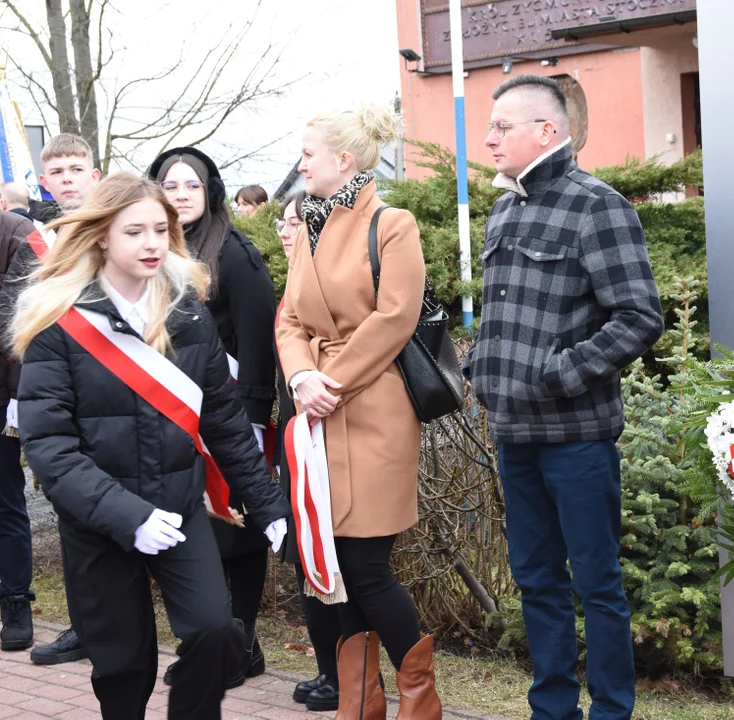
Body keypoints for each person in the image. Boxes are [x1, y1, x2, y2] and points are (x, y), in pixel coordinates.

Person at [10, 173, 290, 719]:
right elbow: (50, 447)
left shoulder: (188, 312)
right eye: (134, 231)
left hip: (178, 505)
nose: (152, 243)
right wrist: (128, 515)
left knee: (217, 633)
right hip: (98, 521)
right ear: (100, 238)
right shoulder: (59, 321)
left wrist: (269, 505)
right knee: (122, 666)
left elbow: (226, 424)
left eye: (160, 230)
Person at [466, 75, 664, 720]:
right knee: (536, 580)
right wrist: (483, 372)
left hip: (577, 435)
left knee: (598, 584)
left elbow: (638, 316)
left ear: (546, 133)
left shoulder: (597, 206)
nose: (489, 138)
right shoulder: (504, 209)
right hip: (514, 435)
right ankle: (552, 710)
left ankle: (611, 711)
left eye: (502, 126)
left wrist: (556, 374)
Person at [276, 103, 441, 719]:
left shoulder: (392, 223)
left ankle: (420, 698)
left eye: (308, 153)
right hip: (318, 408)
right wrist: (300, 377)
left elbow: (396, 316)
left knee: (366, 564)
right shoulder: (309, 226)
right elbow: (290, 318)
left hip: (372, 409)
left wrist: (329, 380)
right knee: (335, 564)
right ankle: (362, 701)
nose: (301, 163)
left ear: (343, 160)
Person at [146, 147, 279, 685]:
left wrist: (247, 422)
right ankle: (211, 641)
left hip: (228, 419)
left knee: (238, 534)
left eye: (191, 186)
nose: (180, 195)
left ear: (211, 192)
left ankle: (240, 644)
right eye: (170, 185)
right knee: (195, 530)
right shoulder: (156, 251)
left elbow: (256, 341)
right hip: (173, 418)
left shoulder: (235, 254)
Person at [0, 133, 102, 667]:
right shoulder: (34, 241)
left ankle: (125, 628)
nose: (66, 179)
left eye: (75, 169)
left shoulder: (121, 227)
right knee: (71, 510)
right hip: (59, 394)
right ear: (43, 180)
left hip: (115, 395)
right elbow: (9, 316)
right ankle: (83, 627)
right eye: (56, 172)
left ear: (94, 174)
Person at [271, 191, 343, 712]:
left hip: (328, 440)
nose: (285, 228)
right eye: (283, 220)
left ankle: (346, 676)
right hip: (295, 441)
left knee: (335, 560)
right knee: (307, 559)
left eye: (298, 221)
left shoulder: (325, 288)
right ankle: (329, 670)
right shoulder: (293, 286)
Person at [0, 146, 37, 653]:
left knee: (6, 506)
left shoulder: (13, 232)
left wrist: (20, 395)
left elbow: (26, 324)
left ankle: (16, 600)